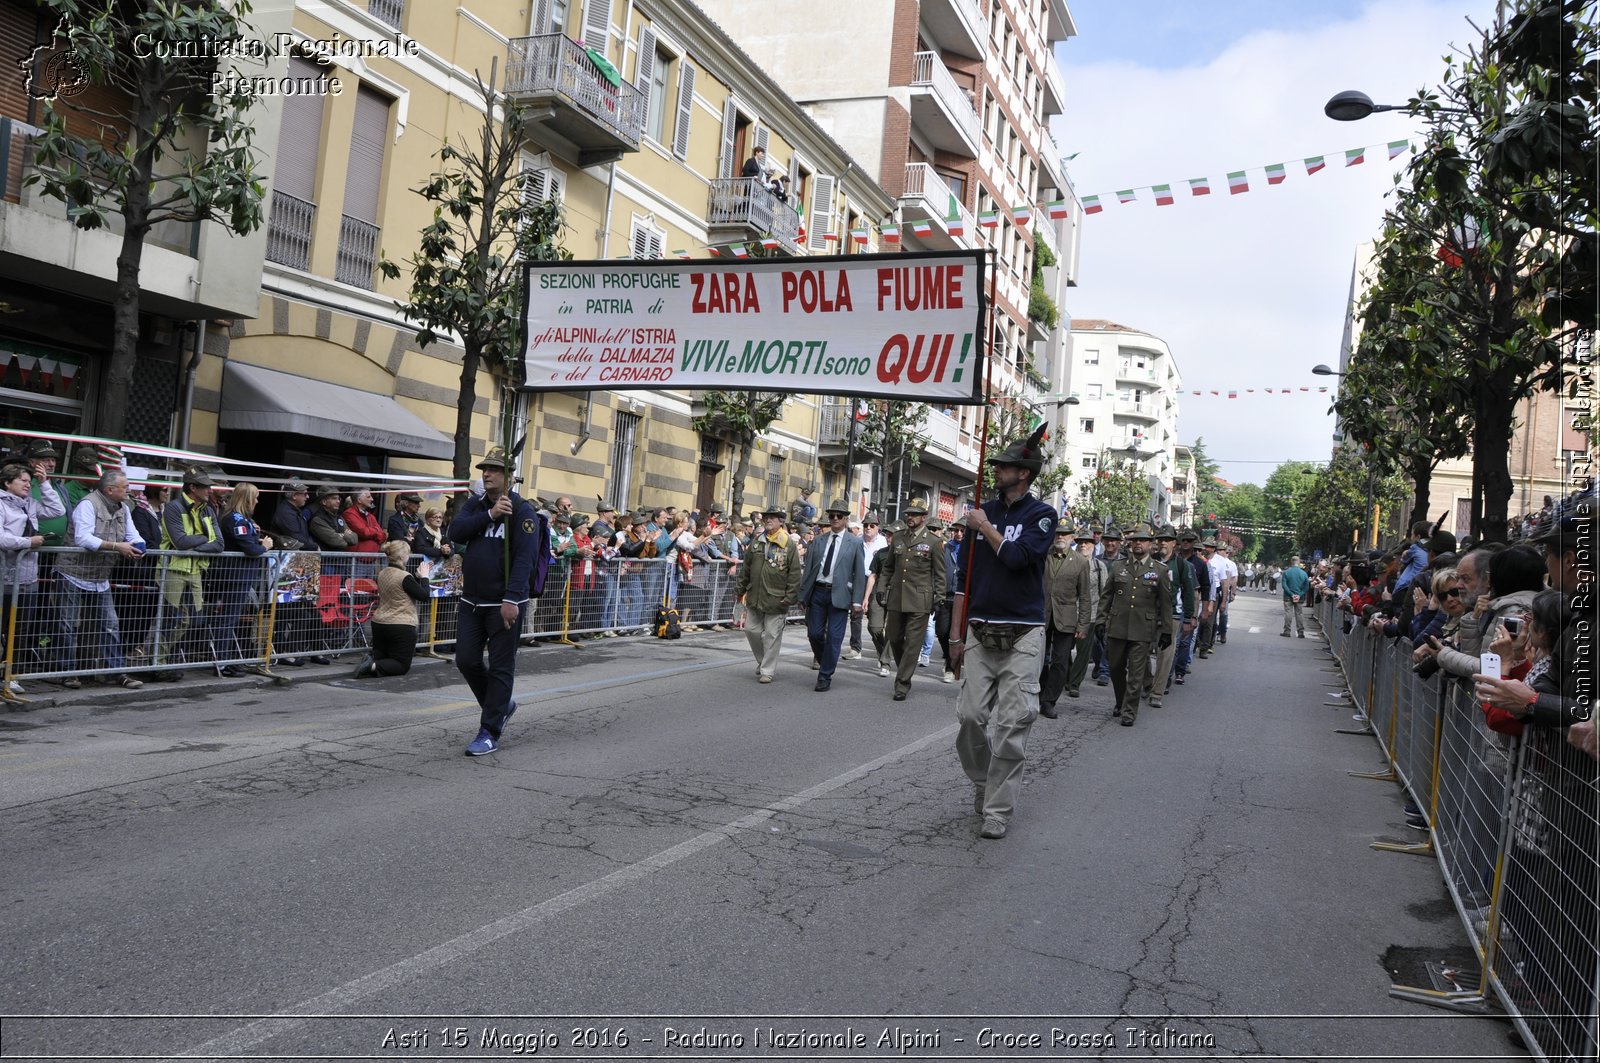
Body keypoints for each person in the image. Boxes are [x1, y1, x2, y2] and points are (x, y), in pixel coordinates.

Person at [951, 425, 1057, 840]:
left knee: (1013, 723)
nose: (996, 470)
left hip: (1024, 633)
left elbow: (1017, 557)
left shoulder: (1042, 516)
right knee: (970, 718)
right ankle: (983, 780)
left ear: (1024, 473)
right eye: (995, 465)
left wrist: (984, 527)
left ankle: (996, 809)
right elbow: (964, 578)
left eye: (1005, 466)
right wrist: (957, 637)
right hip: (980, 629)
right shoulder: (983, 511)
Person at [451, 447, 539, 756]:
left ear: (510, 477)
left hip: (502, 602)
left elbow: (524, 560)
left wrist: (512, 599)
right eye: (484, 469)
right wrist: (489, 515)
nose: (486, 474)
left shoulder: (523, 512)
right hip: (471, 601)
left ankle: (489, 729)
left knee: (502, 667)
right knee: (466, 660)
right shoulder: (476, 505)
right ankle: (501, 705)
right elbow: (456, 532)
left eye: (494, 469)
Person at [54, 469, 148, 690]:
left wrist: (139, 546)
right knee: (67, 624)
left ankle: (116, 672)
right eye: (125, 486)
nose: (129, 489)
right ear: (109, 489)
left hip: (100, 576)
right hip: (72, 572)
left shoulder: (124, 508)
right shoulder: (88, 504)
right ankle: (67, 672)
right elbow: (83, 538)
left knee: (110, 625)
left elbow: (132, 534)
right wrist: (118, 546)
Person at [1096, 524, 1171, 727]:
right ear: (1129, 544)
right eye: (1135, 540)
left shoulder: (1159, 571)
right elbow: (1106, 596)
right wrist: (1101, 620)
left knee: (1136, 673)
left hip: (1142, 629)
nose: (1138, 543)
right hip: (1118, 625)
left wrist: (1166, 630)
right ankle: (1121, 702)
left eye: (1143, 540)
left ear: (1150, 545)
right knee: (1116, 668)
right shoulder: (1118, 567)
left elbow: (1165, 603)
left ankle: (1129, 711)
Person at [154, 466, 225, 681]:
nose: (210, 490)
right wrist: (204, 538)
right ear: (192, 487)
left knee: (193, 619)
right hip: (173, 569)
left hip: (195, 571)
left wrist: (195, 545)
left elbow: (219, 544)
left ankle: (163, 658)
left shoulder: (207, 510)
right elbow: (180, 541)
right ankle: (158, 664)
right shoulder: (175, 508)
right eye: (205, 487)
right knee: (169, 619)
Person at [877, 497, 947, 702]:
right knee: (895, 638)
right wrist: (882, 588)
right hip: (897, 598)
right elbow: (888, 567)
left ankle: (902, 683)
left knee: (913, 644)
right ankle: (904, 671)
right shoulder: (898, 538)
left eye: (915, 514)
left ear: (924, 517)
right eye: (908, 514)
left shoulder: (934, 542)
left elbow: (940, 574)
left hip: (920, 601)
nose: (910, 517)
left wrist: (939, 597)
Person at [797, 499, 867, 693]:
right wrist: (802, 595)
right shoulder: (819, 540)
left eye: (839, 516)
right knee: (814, 634)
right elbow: (809, 569)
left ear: (846, 519)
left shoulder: (854, 543)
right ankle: (824, 659)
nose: (835, 519)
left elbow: (859, 573)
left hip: (840, 594)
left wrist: (857, 601)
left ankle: (825, 675)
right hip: (818, 592)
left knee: (834, 638)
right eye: (832, 515)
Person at [733, 506, 802, 683]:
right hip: (755, 595)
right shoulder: (757, 541)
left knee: (772, 636)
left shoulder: (788, 544)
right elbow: (746, 569)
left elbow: (794, 573)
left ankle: (767, 671)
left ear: (781, 521)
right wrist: (739, 589)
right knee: (751, 630)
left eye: (773, 517)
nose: (768, 520)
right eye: (766, 517)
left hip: (777, 598)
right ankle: (763, 661)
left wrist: (790, 597)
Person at [216, 482, 274, 676]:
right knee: (228, 620)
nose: (257, 501)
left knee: (232, 619)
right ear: (247, 499)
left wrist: (255, 539)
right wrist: (264, 546)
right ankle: (222, 663)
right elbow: (250, 549)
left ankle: (228, 659)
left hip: (241, 575)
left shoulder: (240, 519)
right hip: (235, 576)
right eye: (255, 498)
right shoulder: (235, 519)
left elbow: (247, 543)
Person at [352, 540, 431, 679]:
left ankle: (372, 659)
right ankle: (371, 666)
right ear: (402, 557)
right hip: (400, 624)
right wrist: (425, 577)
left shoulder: (383, 573)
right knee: (401, 665)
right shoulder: (404, 577)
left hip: (379, 622)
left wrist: (416, 577)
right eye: (408, 553)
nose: (409, 556)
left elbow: (401, 588)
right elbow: (424, 596)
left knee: (383, 655)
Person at [1037, 524, 1090, 718]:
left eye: (1065, 534)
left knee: (1060, 662)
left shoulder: (1080, 562)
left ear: (1072, 538)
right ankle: (1039, 695)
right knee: (1039, 659)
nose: (1061, 537)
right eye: (1058, 533)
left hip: (1066, 619)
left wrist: (1083, 624)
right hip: (1040, 615)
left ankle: (1050, 701)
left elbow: (1084, 596)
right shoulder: (1043, 554)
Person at [1144, 524, 1195, 708]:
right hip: (1147, 613)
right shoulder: (1149, 561)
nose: (1163, 542)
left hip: (1172, 615)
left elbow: (1189, 593)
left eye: (1167, 539)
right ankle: (1147, 682)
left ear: (1175, 543)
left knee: (1165, 655)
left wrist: (1189, 618)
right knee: (1140, 651)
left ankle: (1157, 693)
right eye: (1160, 539)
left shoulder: (1182, 565)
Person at [271, 481, 312, 550]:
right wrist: (314, 546)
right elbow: (295, 536)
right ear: (294, 496)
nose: (308, 497)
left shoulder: (294, 510)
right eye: (305, 494)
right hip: (288, 556)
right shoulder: (286, 513)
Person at [343, 488, 386, 553]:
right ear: (359, 500)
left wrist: (371, 532)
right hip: (356, 559)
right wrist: (376, 530)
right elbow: (364, 532)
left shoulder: (371, 516)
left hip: (370, 558)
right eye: (368, 497)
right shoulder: (349, 514)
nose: (372, 499)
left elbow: (382, 537)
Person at [1280, 555, 1310, 637]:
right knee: (1299, 614)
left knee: (1288, 613)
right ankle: (1300, 632)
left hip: (1288, 596)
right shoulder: (1304, 573)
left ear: (1291, 562)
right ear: (1299, 562)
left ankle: (1287, 631)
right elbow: (1306, 587)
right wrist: (1299, 594)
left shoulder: (1286, 572)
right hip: (1300, 597)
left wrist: (1291, 594)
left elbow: (1284, 585)